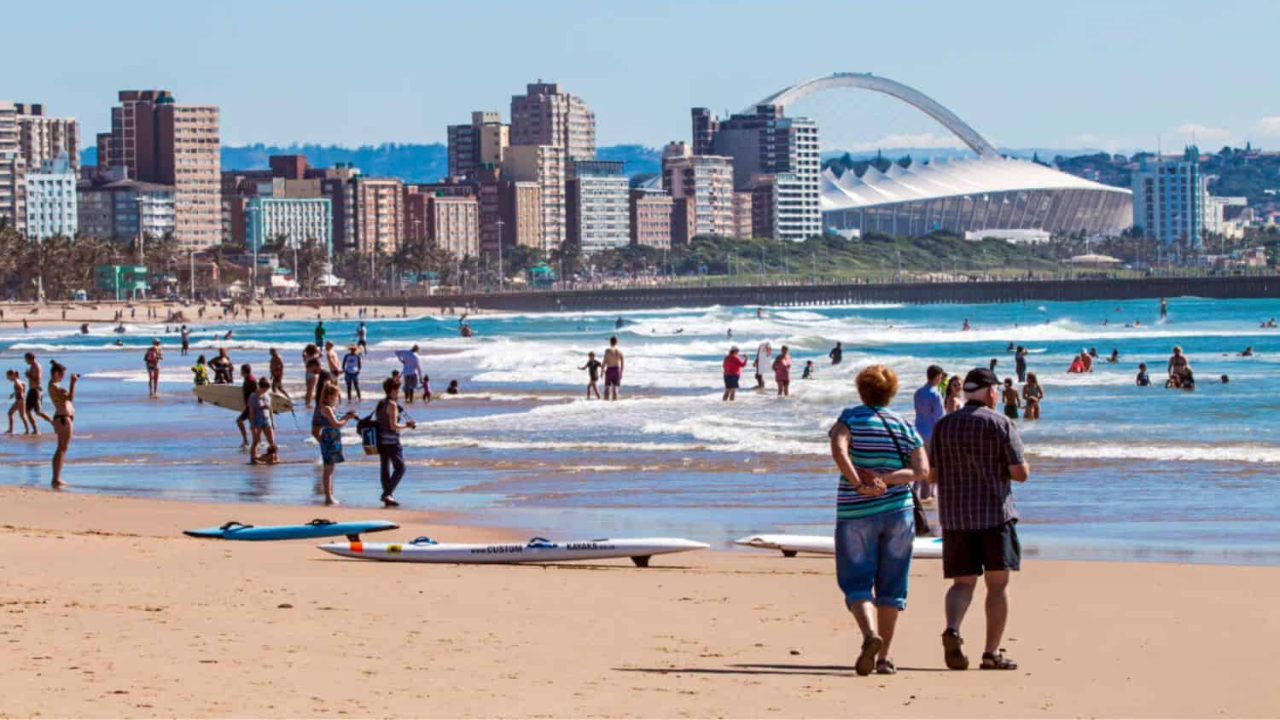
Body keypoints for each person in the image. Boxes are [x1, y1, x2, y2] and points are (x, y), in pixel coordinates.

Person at [829, 364, 930, 676]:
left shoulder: (850, 417)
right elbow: (921, 471)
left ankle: (870, 635)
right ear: (892, 393)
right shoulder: (902, 425)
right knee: (892, 585)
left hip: (855, 512)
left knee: (856, 581)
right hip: (898, 513)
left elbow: (839, 448)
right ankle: (884, 657)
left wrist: (859, 483)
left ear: (861, 390)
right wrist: (885, 479)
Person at [930, 367, 1029, 672]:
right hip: (994, 515)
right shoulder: (1001, 423)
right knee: (998, 585)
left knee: (962, 583)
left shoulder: (943, 425)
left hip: (956, 517)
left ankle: (953, 628)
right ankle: (991, 653)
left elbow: (932, 474)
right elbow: (1020, 473)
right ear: (989, 392)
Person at [310, 384, 356, 505]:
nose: (336, 399)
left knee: (330, 468)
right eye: (335, 396)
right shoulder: (326, 408)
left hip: (331, 437)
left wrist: (346, 415)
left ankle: (329, 495)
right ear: (329, 396)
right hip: (330, 436)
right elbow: (336, 424)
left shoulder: (326, 408)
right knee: (328, 469)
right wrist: (347, 418)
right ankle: (328, 497)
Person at [375, 377, 415, 507]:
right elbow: (393, 426)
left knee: (385, 468)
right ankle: (387, 493)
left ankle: (388, 496)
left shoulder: (381, 403)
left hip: (380, 440)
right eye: (398, 389)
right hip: (391, 441)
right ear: (393, 390)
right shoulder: (392, 404)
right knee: (400, 468)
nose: (399, 392)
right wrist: (407, 425)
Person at [913, 365, 946, 501]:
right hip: (932, 432)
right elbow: (939, 416)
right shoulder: (935, 393)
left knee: (921, 463)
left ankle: (915, 491)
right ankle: (928, 494)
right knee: (932, 465)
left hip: (918, 431)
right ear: (937, 376)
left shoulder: (918, 392)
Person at [47, 361, 79, 488]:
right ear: (55, 373)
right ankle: (56, 478)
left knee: (61, 449)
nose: (63, 377)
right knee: (62, 449)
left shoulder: (53, 385)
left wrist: (56, 364)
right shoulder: (54, 386)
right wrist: (73, 383)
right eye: (61, 375)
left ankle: (56, 478)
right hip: (63, 418)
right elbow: (70, 397)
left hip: (63, 418)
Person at [248, 377, 278, 465]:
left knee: (272, 441)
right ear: (260, 387)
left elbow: (270, 409)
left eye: (267, 389)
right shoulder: (253, 397)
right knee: (256, 441)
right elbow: (251, 411)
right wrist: (252, 424)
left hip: (266, 420)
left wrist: (273, 422)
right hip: (257, 421)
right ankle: (253, 458)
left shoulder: (267, 396)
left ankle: (273, 457)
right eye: (264, 389)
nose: (265, 391)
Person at [23, 353, 52, 432]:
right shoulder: (32, 366)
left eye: (26, 359)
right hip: (32, 390)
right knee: (28, 411)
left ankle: (54, 423)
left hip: (36, 390)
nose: (25, 361)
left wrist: (29, 375)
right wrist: (29, 375)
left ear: (30, 358)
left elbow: (38, 380)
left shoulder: (37, 367)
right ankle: (35, 430)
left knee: (38, 412)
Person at [235, 364, 256, 447]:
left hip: (251, 406)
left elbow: (256, 392)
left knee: (239, 421)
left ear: (244, 371)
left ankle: (246, 440)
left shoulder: (251, 380)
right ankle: (255, 441)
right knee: (252, 424)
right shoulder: (248, 379)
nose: (240, 372)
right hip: (249, 406)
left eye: (241, 371)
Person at [7, 369, 30, 435]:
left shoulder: (16, 381)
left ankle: (26, 430)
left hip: (20, 400)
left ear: (12, 375)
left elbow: (20, 388)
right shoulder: (18, 381)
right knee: (13, 414)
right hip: (20, 400)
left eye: (8, 377)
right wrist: (14, 394)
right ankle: (11, 430)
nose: (8, 378)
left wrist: (21, 393)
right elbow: (23, 385)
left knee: (18, 415)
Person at [603, 336, 624, 401]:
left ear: (610, 342)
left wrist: (602, 370)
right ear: (616, 342)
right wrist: (621, 373)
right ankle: (614, 405)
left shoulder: (607, 351)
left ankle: (605, 403)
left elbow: (604, 361)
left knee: (607, 388)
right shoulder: (620, 352)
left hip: (609, 369)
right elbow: (622, 364)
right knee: (615, 388)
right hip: (616, 370)